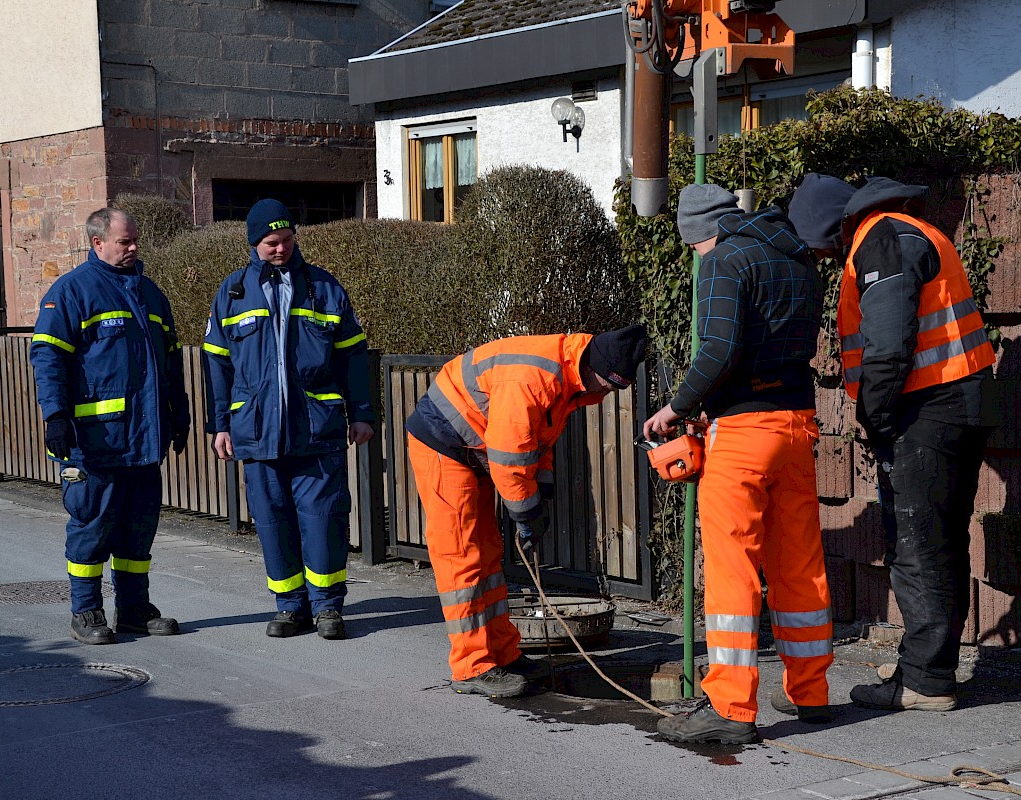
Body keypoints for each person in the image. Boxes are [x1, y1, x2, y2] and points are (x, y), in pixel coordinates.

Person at [788, 173, 998, 712]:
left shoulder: (880, 241)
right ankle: (926, 664)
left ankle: (926, 682)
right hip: (955, 404)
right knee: (939, 539)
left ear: (833, 228)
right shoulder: (904, 230)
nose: (822, 258)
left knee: (915, 544)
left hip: (926, 409)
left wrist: (875, 418)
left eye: (817, 246)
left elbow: (886, 345)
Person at [643, 184, 833, 744]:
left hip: (745, 434)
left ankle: (730, 706)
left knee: (734, 572)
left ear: (700, 232)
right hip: (797, 427)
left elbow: (719, 349)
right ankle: (811, 692)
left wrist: (676, 408)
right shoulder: (798, 256)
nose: (697, 258)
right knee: (800, 563)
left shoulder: (723, 257)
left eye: (693, 248)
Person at [405, 324, 648, 698]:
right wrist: (527, 512)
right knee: (461, 554)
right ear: (593, 367)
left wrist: (543, 490)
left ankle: (502, 653)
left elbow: (537, 440)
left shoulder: (568, 377)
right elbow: (509, 455)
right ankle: (472, 666)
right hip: (445, 442)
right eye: (609, 385)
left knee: (488, 554)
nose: (605, 395)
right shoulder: (535, 376)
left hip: (476, 446)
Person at [202, 199, 375, 641]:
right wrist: (219, 424)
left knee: (324, 519)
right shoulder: (234, 291)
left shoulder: (324, 287)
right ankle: (290, 606)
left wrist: (361, 413)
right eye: (270, 242)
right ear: (253, 243)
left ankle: (328, 608)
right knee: (272, 520)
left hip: (316, 428)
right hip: (257, 432)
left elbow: (353, 357)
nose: (280, 249)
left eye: (286, 240)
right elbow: (217, 364)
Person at [30, 207, 190, 645]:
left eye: (135, 239)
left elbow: (169, 359)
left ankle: (135, 609)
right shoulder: (71, 292)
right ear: (98, 243)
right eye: (125, 241)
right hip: (94, 442)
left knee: (138, 531)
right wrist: (56, 415)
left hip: (142, 440)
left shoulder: (150, 293)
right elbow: (47, 357)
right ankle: (86, 611)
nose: (134, 246)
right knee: (92, 526)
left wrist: (178, 409)